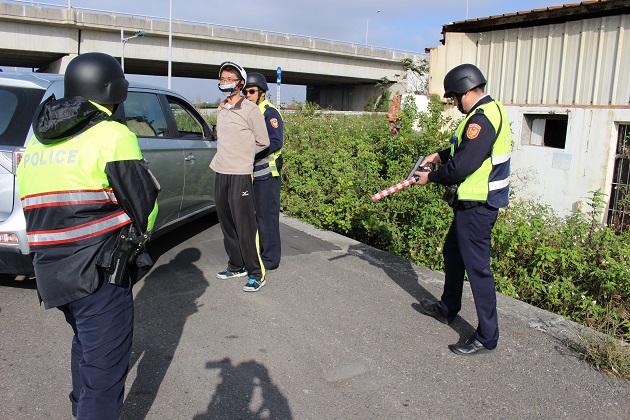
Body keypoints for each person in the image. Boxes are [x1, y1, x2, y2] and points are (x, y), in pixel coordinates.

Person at [16, 52, 159, 417]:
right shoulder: (113, 135)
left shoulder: (38, 141)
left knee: (85, 347)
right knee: (104, 374)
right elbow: (145, 209)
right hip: (99, 274)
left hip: (52, 273)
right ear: (113, 90)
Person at [413, 63, 511, 355]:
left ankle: (487, 336)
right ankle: (447, 307)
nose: (454, 104)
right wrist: (438, 154)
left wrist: (431, 176)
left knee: (478, 270)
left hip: (478, 206)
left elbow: (463, 166)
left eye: (455, 97)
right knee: (453, 253)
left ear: (466, 91)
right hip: (472, 204)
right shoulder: (490, 111)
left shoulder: (482, 119)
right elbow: (464, 150)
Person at [210, 61, 270, 292]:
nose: (225, 83)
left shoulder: (251, 110)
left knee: (245, 225)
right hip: (221, 170)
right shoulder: (221, 107)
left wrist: (243, 154)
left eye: (229, 79)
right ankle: (236, 265)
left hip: (240, 173)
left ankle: (256, 273)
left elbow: (263, 141)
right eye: (222, 79)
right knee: (227, 223)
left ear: (240, 83)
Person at [243, 72, 283, 270]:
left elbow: (275, 142)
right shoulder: (249, 112)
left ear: (262, 93)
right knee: (255, 218)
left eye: (251, 91)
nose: (247, 94)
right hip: (251, 174)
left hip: (267, 175)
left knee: (267, 218)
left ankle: (270, 260)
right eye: (245, 91)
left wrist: (252, 150)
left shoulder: (269, 113)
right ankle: (259, 254)